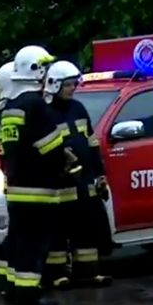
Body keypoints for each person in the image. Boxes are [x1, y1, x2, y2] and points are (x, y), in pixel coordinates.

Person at [0, 45, 69, 305]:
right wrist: (65, 158)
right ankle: (29, 294)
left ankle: (17, 290)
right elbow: (50, 146)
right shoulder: (35, 104)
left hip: (18, 186)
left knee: (20, 239)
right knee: (34, 242)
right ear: (36, 70)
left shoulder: (12, 107)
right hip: (38, 186)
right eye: (45, 67)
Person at [42, 60, 112, 289]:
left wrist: (100, 174)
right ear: (54, 85)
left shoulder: (78, 108)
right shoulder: (46, 113)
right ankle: (57, 275)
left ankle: (89, 274)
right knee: (58, 232)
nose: (73, 88)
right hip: (60, 183)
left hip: (84, 181)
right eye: (68, 85)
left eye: (74, 84)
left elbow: (91, 141)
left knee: (86, 230)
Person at [0, 61, 16, 295]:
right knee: (23, 232)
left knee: (16, 231)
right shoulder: (15, 110)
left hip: (11, 178)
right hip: (21, 180)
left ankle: (6, 276)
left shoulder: (2, 111)